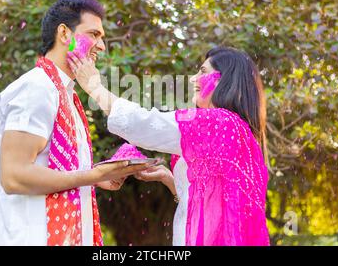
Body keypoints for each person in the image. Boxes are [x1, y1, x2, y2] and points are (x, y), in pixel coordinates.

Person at [66, 45, 270, 246]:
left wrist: (95, 88)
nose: (193, 78)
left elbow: (145, 124)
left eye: (203, 71)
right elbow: (213, 205)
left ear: (224, 81)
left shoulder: (218, 124)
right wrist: (169, 179)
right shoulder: (241, 132)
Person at [0, 0, 149, 246]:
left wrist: (100, 176)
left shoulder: (67, 96)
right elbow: (14, 176)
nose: (102, 46)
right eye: (94, 34)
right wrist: (92, 175)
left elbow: (55, 170)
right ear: (65, 33)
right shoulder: (36, 88)